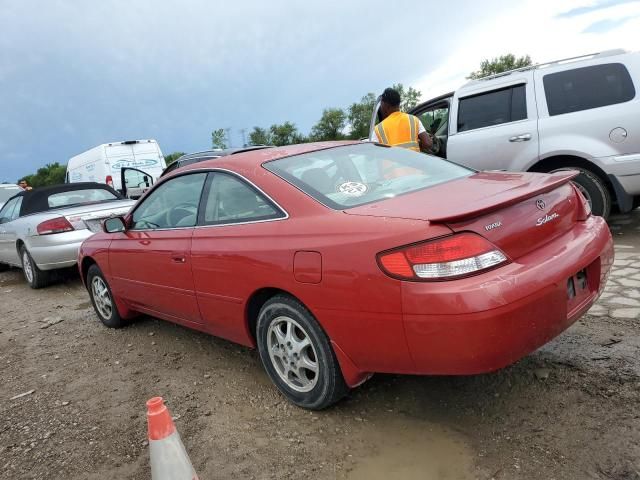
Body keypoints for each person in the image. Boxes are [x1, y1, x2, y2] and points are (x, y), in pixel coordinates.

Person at [371, 87, 433, 153]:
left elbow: (373, 152)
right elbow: (428, 143)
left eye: (381, 105)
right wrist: (417, 144)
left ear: (385, 106)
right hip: (413, 162)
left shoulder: (378, 129)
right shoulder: (413, 120)